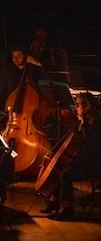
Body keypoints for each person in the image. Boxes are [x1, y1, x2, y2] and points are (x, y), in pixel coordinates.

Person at [40, 92, 101, 221]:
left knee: (65, 174)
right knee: (59, 167)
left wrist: (82, 122)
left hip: (95, 164)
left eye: (79, 104)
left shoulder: (96, 123)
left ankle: (68, 210)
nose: (77, 107)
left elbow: (91, 144)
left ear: (88, 106)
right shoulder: (83, 121)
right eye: (76, 104)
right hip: (84, 160)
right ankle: (53, 201)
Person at [0, 47, 43, 112]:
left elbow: (46, 77)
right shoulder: (8, 71)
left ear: (26, 56)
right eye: (13, 56)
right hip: (11, 109)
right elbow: (0, 91)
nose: (15, 59)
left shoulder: (32, 69)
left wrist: (38, 63)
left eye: (19, 56)